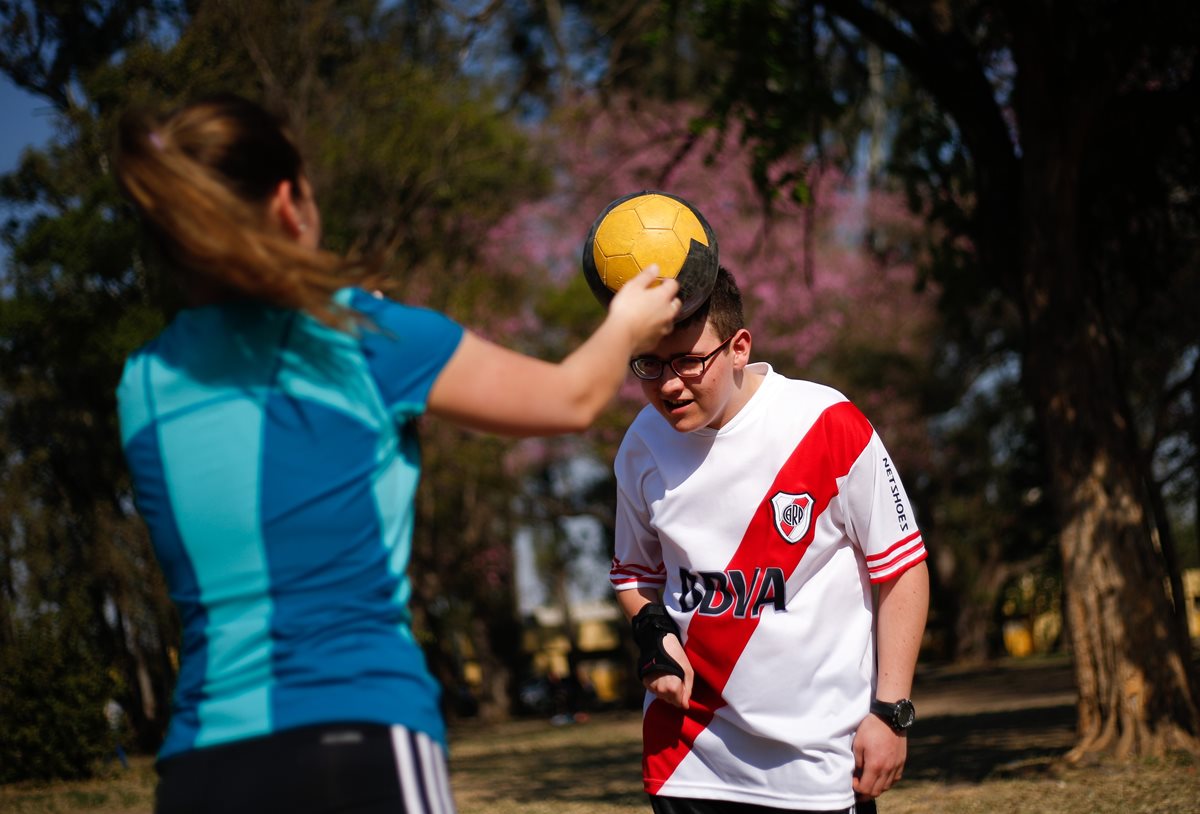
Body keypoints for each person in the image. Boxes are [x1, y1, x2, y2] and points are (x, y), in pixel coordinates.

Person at [112, 93, 680, 814]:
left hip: (201, 765)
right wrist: (626, 323)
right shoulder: (370, 339)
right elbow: (570, 399)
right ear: (290, 203)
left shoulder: (144, 383)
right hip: (357, 737)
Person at [609, 266, 930, 814]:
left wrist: (891, 710)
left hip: (816, 766)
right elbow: (634, 574)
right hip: (686, 763)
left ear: (738, 348)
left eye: (688, 361)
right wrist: (653, 634)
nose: (667, 383)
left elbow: (900, 569)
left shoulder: (827, 423)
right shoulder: (641, 443)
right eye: (649, 364)